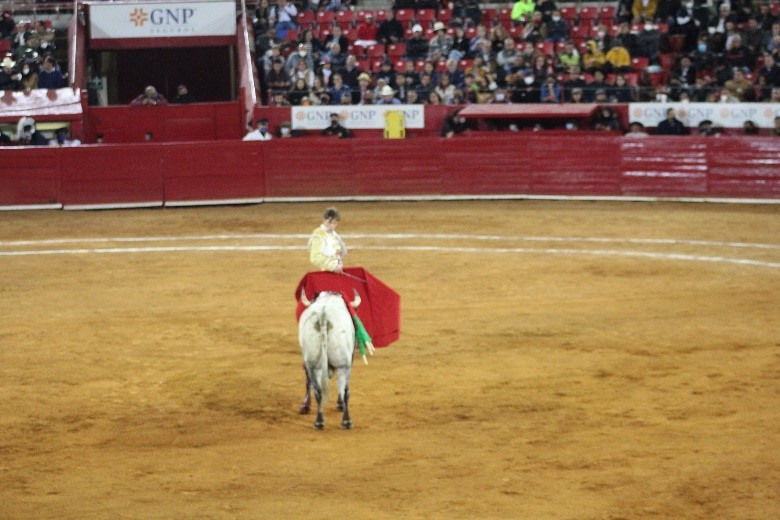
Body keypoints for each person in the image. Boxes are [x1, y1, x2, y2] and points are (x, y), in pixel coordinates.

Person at [308, 206, 348, 273]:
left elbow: (338, 254)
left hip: (334, 272)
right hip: (325, 273)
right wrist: (333, 266)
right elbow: (315, 258)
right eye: (329, 222)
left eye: (334, 223)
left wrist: (338, 262)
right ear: (324, 220)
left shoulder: (334, 235)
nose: (332, 225)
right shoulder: (318, 235)